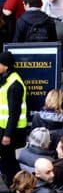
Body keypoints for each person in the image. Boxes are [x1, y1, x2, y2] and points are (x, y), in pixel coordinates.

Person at [0, 51, 27, 183]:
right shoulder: (7, 79)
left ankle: (14, 186)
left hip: (13, 132)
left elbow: (14, 113)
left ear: (6, 66)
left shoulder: (14, 84)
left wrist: (7, 135)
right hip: (5, 128)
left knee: (10, 163)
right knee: (6, 161)